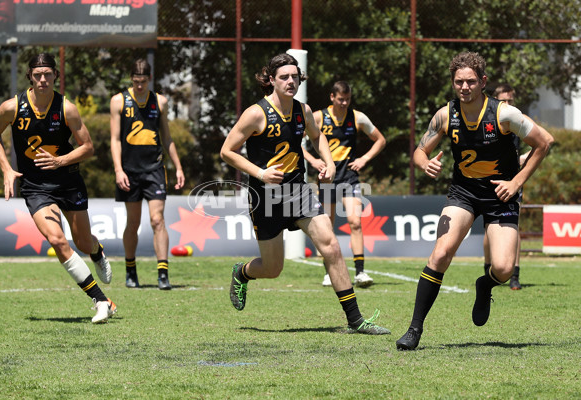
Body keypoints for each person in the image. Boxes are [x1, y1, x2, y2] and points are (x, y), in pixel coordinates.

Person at [220, 53, 390, 335]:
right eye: (284, 77)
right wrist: (261, 174)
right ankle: (243, 272)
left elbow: (317, 135)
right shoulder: (255, 113)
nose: (290, 81)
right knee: (273, 268)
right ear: (271, 80)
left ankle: (356, 320)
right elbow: (227, 151)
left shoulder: (304, 110)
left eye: (295, 77)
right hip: (266, 197)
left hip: (298, 190)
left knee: (331, 246)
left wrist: (330, 161)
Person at [395, 52, 553, 350]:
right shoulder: (446, 114)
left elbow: (545, 142)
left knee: (504, 269)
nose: (464, 87)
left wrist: (516, 181)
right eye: (458, 82)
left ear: (482, 82)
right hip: (463, 193)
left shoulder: (504, 114)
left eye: (470, 81)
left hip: (500, 196)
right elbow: (419, 150)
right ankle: (414, 330)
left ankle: (485, 284)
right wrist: (424, 163)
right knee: (440, 253)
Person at [0, 53, 115, 324]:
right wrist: (7, 169)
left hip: (68, 181)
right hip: (35, 187)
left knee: (82, 242)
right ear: (29, 78)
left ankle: (96, 251)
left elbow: (88, 148)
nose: (43, 79)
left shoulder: (66, 108)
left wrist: (60, 160)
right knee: (57, 241)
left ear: (56, 75)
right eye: (37, 75)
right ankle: (101, 300)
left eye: (47, 74)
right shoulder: (12, 107)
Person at [110, 58, 185, 290]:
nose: (139, 85)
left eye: (143, 81)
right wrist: (118, 170)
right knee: (133, 223)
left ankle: (163, 273)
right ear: (131, 79)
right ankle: (130, 270)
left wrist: (179, 167)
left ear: (149, 79)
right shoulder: (118, 101)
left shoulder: (160, 102)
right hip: (129, 171)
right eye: (135, 81)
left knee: (157, 220)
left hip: (154, 169)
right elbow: (114, 139)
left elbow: (167, 138)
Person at [303, 81, 386, 288]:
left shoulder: (357, 117)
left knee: (355, 221)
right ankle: (328, 272)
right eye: (340, 99)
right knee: (327, 227)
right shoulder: (319, 117)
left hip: (349, 177)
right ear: (332, 97)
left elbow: (380, 140)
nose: (344, 103)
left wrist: (364, 159)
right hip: (327, 178)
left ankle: (360, 272)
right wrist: (312, 160)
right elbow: (296, 141)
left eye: (347, 99)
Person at [483, 83, 531, 290]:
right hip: (487, 181)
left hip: (511, 182)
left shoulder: (517, 120)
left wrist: (522, 159)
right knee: (488, 228)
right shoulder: (487, 120)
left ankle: (514, 275)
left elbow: (545, 142)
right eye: (505, 100)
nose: (509, 104)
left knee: (513, 226)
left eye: (511, 100)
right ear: (495, 100)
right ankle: (487, 270)